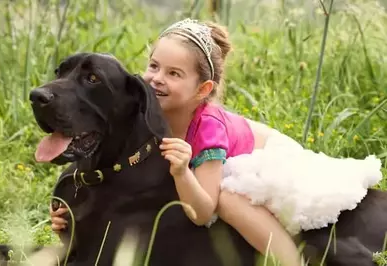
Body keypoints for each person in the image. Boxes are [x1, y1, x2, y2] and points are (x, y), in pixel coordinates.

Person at [50, 18, 383, 266]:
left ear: (203, 89)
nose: (156, 79)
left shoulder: (207, 127)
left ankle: (290, 260)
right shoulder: (152, 109)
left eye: (174, 74)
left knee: (228, 202)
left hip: (264, 162)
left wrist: (182, 172)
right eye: (154, 66)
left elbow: (202, 209)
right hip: (216, 163)